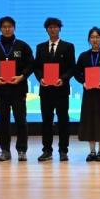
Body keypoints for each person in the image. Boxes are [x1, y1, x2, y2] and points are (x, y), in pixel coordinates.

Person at [0, 16, 35, 162]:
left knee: (21, 121)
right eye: (4, 27)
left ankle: (22, 150)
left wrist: (22, 76)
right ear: (0, 29)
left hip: (18, 89)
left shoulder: (22, 46)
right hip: (1, 90)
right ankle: (5, 151)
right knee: (3, 121)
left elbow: (31, 65)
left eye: (10, 26)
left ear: (14, 28)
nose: (7, 29)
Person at [34, 17, 76, 162]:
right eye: (50, 27)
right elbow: (37, 67)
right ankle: (47, 150)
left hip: (61, 90)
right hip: (45, 90)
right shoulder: (40, 47)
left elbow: (72, 68)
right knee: (46, 121)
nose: (53, 29)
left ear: (60, 29)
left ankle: (63, 150)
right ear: (46, 30)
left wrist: (62, 79)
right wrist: (41, 78)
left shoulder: (68, 46)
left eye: (55, 27)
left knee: (63, 120)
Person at [74, 27, 100, 162]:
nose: (95, 39)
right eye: (92, 37)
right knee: (90, 122)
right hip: (89, 94)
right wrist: (83, 82)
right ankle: (92, 151)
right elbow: (77, 73)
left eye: (97, 37)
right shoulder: (83, 56)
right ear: (89, 39)